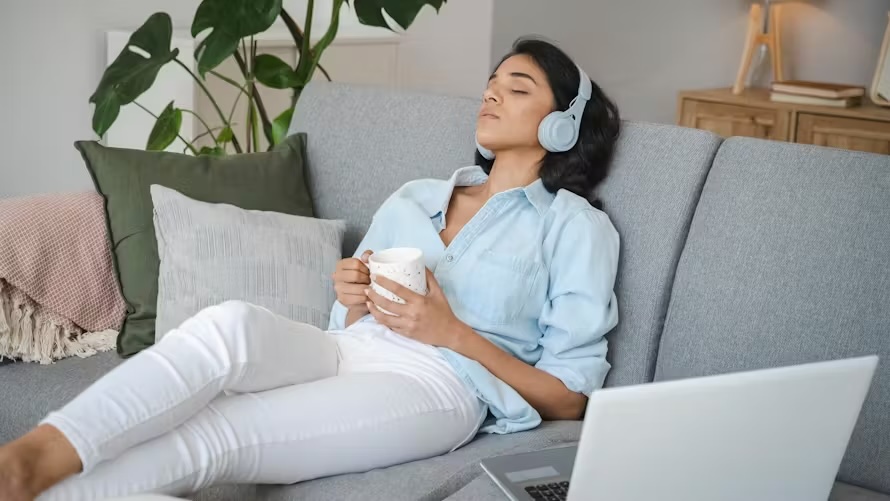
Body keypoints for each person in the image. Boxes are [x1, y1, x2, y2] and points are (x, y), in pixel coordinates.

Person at [0, 36, 621, 501]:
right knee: (229, 326)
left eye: (517, 88)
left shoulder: (572, 226)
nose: (490, 93)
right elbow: (344, 322)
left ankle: (22, 479)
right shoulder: (415, 196)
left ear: (563, 123)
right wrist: (351, 293)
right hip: (346, 348)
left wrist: (450, 331)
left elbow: (571, 398)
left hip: (440, 386)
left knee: (218, 433)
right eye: (491, 82)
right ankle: (35, 453)